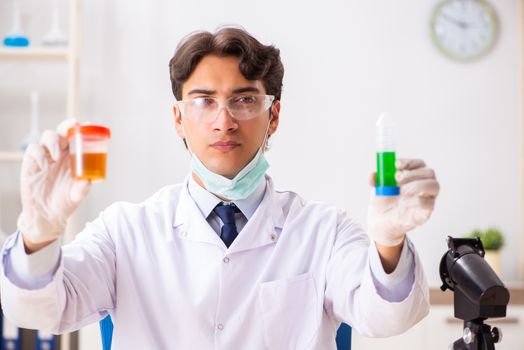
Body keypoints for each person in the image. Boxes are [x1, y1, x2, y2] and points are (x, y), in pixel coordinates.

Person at [1, 27, 440, 349]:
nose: (223, 120)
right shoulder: (125, 232)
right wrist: (38, 231)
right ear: (178, 120)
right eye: (204, 100)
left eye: (245, 99)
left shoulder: (323, 232)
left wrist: (388, 241)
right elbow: (41, 310)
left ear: (274, 117)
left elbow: (387, 316)